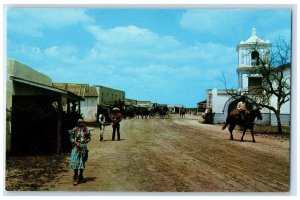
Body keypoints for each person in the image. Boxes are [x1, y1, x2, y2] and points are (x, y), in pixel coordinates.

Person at [69, 119, 91, 186]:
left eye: (82, 122)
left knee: (83, 161)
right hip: (76, 147)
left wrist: (86, 140)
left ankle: (81, 176)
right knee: (76, 162)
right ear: (77, 123)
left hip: (83, 147)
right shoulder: (74, 129)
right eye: (79, 122)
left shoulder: (86, 130)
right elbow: (71, 138)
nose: (81, 123)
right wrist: (76, 142)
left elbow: (89, 138)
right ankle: (75, 177)